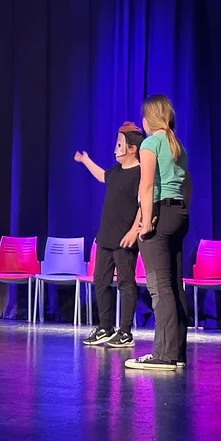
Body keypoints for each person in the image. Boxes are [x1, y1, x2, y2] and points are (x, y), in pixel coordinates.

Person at [125, 94, 191, 372]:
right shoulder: (177, 145)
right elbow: (187, 185)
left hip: (160, 214)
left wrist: (146, 221)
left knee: (160, 287)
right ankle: (177, 353)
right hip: (179, 214)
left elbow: (147, 185)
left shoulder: (151, 143)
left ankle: (163, 355)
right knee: (174, 285)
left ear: (148, 119)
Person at [75, 122, 144, 348]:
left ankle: (125, 332)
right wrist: (86, 160)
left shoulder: (140, 173)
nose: (116, 149)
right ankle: (105, 327)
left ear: (132, 148)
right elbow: (102, 175)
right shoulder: (115, 172)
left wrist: (134, 230)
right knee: (100, 281)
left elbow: (144, 204)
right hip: (105, 236)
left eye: (120, 144)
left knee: (126, 283)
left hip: (125, 239)